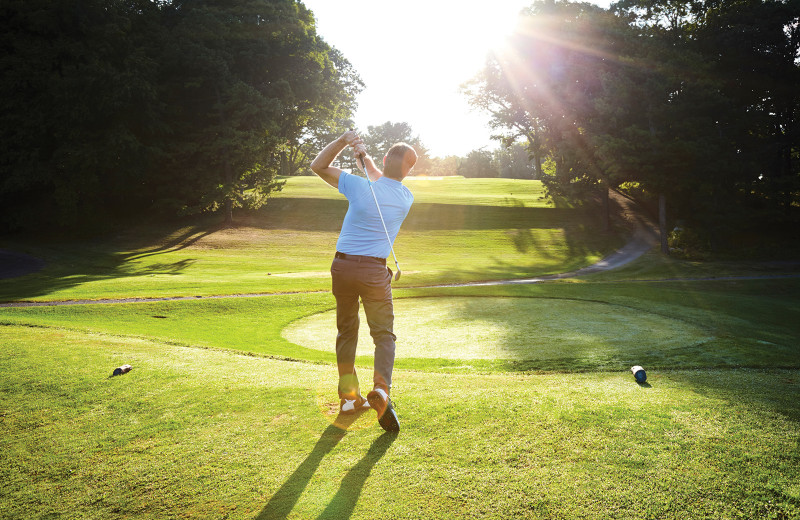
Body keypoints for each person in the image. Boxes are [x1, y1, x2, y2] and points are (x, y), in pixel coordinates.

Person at [310, 130, 417, 432]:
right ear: (408, 170)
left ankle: (348, 398)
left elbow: (318, 166)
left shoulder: (359, 186)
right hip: (373, 272)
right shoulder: (405, 197)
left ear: (385, 159)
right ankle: (381, 390)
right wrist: (364, 157)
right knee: (383, 335)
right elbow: (380, 176)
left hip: (342, 268)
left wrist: (346, 142)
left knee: (347, 331)